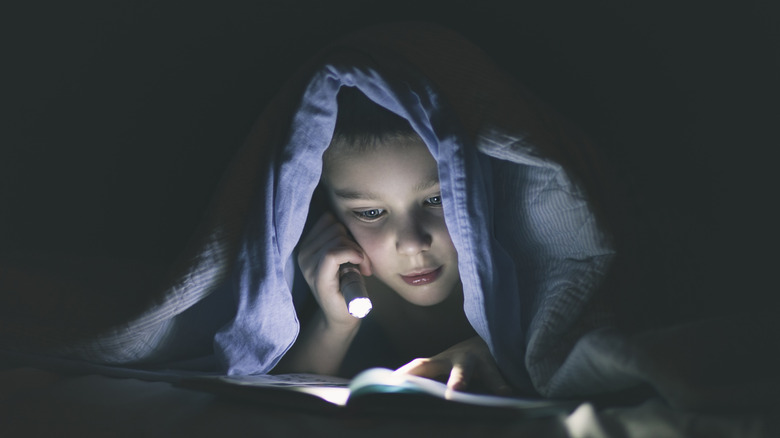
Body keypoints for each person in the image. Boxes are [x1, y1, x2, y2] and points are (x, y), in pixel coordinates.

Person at [274, 88, 511, 394]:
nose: (412, 244)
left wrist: (504, 353)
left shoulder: (522, 276)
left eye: (437, 199)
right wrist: (334, 326)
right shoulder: (341, 294)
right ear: (329, 209)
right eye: (371, 212)